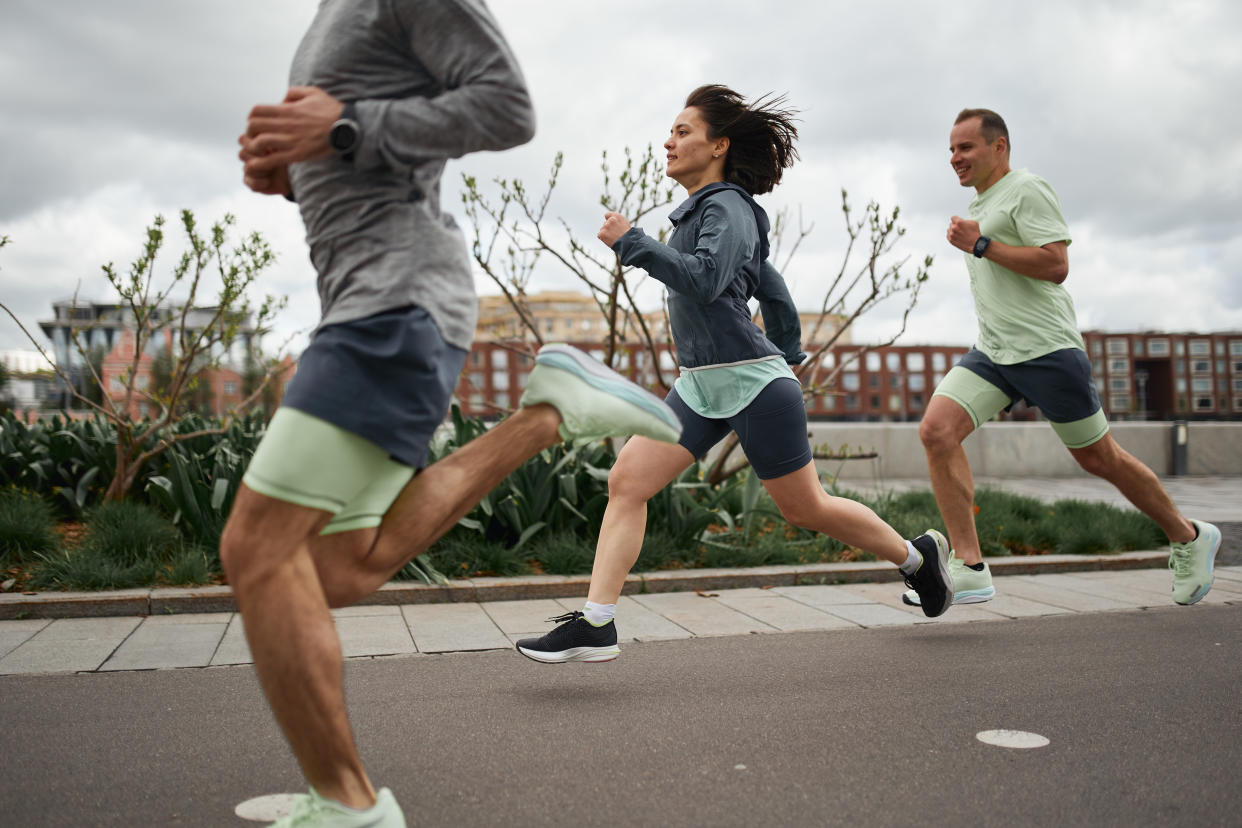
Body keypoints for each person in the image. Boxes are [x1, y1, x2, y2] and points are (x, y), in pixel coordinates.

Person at [222, 3, 682, 826]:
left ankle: (349, 807)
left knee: (255, 546)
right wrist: (295, 167)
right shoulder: (334, 15)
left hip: (392, 303)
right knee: (335, 571)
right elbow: (357, 147)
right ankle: (546, 415)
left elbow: (507, 107)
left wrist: (343, 129)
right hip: (367, 302)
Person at [515, 85, 954, 665]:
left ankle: (918, 559)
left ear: (718, 144)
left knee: (806, 509)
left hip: (751, 383)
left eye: (683, 131)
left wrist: (633, 243)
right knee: (627, 482)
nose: (669, 142)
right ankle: (597, 624)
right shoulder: (710, 210)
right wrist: (792, 345)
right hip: (700, 383)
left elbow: (702, 279)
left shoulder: (728, 207)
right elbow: (772, 288)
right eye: (670, 132)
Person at [903, 107, 1221, 609]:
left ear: (998, 147)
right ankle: (970, 566)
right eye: (951, 149)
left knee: (1099, 457)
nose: (955, 158)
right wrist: (978, 237)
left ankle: (1188, 536)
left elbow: (1056, 265)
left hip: (1048, 350)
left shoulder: (1027, 188)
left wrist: (981, 243)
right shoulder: (980, 202)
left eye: (965, 147)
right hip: (994, 351)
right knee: (936, 431)